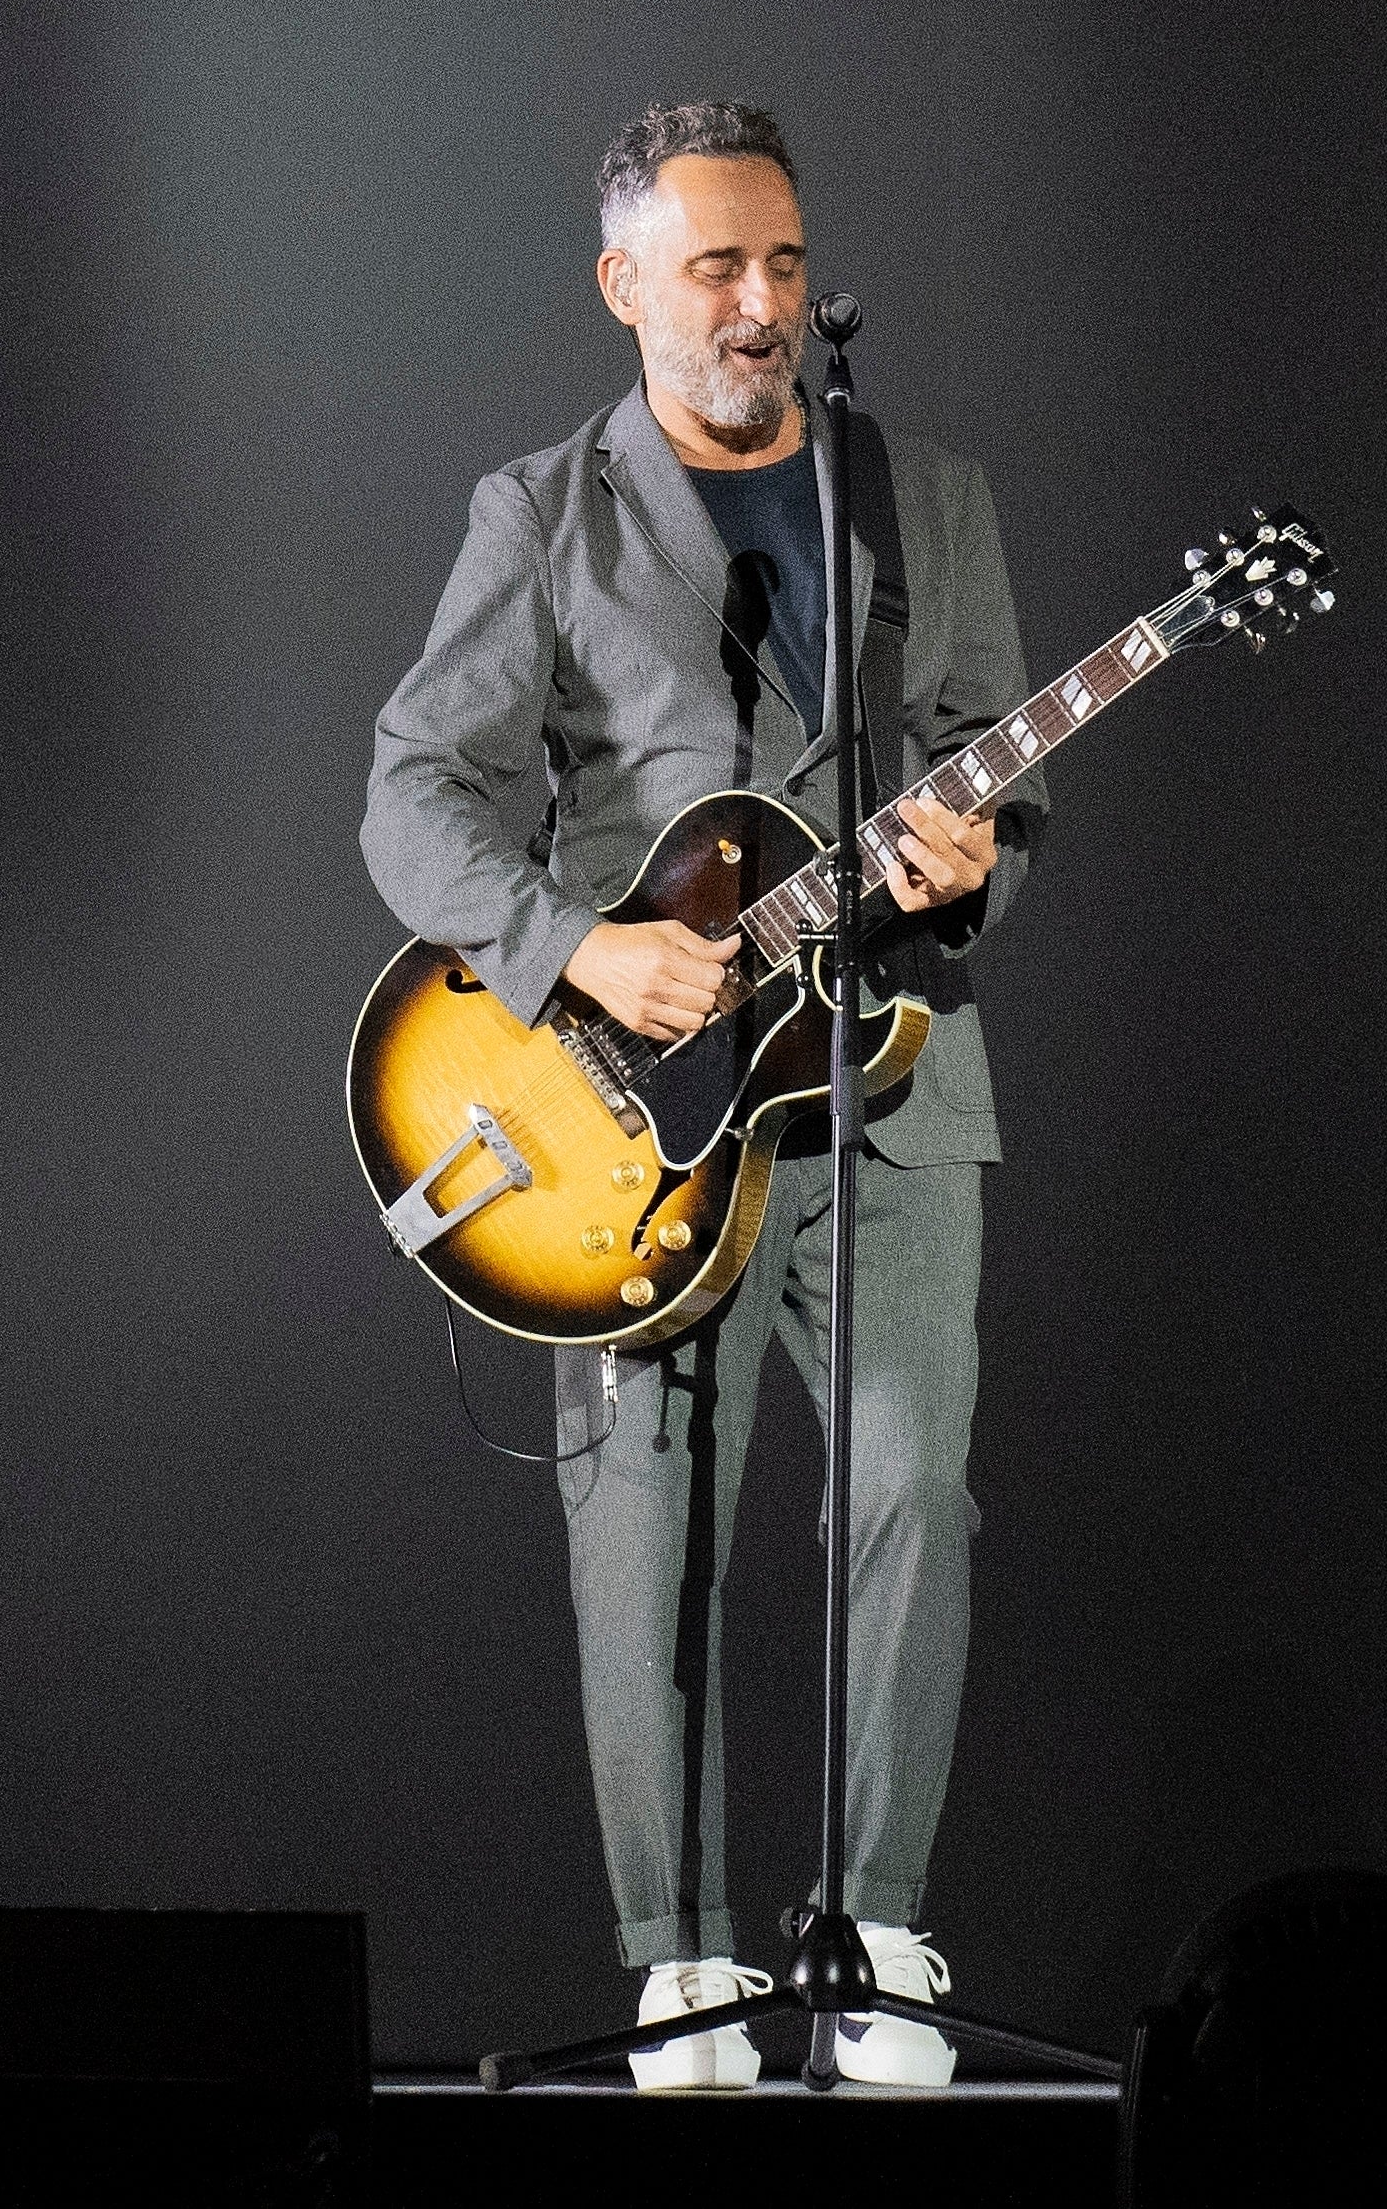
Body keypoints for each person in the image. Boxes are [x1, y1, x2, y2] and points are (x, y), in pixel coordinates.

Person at [363, 102, 1042, 2086]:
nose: (761, 303)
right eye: (716, 268)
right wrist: (574, 944)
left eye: (783, 263)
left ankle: (876, 1925)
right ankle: (680, 1959)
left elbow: (999, 762)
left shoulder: (924, 496)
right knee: (649, 1514)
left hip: (891, 1073)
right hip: (639, 1118)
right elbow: (412, 792)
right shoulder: (543, 513)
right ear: (622, 287)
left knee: (916, 1486)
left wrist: (978, 857)